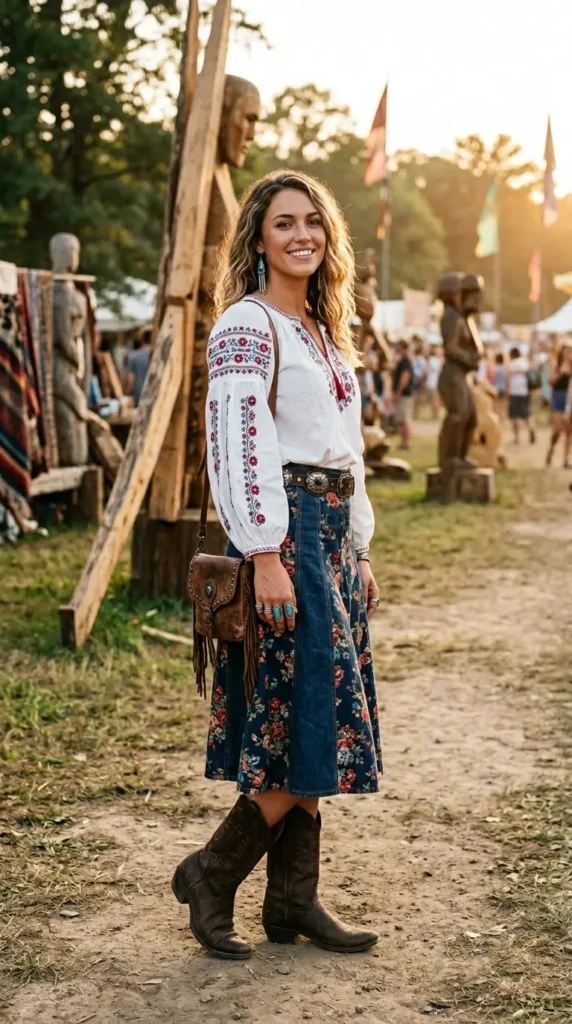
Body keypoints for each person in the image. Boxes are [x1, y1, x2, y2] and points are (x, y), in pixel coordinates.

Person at [171, 170, 382, 960]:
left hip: (328, 540)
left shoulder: (324, 334)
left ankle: (292, 903)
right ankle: (212, 873)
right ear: (258, 236)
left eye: (314, 223)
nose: (302, 236)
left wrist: (357, 546)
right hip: (283, 539)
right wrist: (261, 549)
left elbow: (348, 453)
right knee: (301, 720)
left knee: (316, 723)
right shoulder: (246, 325)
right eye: (285, 223)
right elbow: (236, 443)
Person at [546, 343, 572, 467]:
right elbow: (550, 381)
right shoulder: (556, 367)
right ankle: (551, 450)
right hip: (558, 398)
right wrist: (561, 373)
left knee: (569, 432)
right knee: (557, 430)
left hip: (570, 399)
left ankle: (566, 459)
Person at [507, 346, 535, 444]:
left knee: (514, 416)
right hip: (524, 392)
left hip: (514, 392)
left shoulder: (511, 364)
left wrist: (508, 392)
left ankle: (517, 437)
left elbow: (509, 379)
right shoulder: (524, 362)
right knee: (526, 414)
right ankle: (531, 430)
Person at [392, 339, 414, 449]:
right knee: (402, 419)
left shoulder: (405, 361)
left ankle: (406, 442)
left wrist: (398, 392)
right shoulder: (404, 360)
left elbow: (405, 377)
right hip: (404, 394)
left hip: (404, 395)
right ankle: (404, 441)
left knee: (404, 419)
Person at [123, 327, 152, 406]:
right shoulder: (158, 356)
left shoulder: (133, 356)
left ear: (141, 339)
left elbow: (130, 379)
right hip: (154, 395)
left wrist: (127, 394)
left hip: (139, 396)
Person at [425, 345, 443, 420]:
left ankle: (434, 415)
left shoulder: (433, 360)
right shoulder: (433, 360)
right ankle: (434, 416)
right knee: (434, 400)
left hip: (433, 383)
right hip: (433, 384)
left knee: (434, 400)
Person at [492, 352, 507, 420]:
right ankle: (501, 420)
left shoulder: (494, 369)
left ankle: (497, 420)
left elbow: (492, 379)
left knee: (495, 407)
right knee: (502, 407)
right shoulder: (505, 369)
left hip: (495, 389)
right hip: (503, 388)